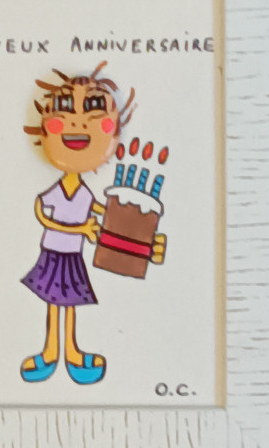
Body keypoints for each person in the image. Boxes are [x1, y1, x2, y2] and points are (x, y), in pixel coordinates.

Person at [20, 61, 162, 384]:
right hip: (54, 254)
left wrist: (145, 241)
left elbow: (106, 217)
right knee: (54, 304)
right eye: (64, 107)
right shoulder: (58, 190)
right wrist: (80, 229)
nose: (78, 121)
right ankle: (50, 352)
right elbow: (43, 214)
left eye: (95, 108)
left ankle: (70, 352)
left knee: (67, 304)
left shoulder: (84, 194)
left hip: (71, 257)